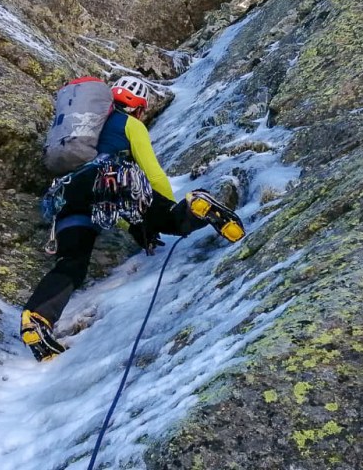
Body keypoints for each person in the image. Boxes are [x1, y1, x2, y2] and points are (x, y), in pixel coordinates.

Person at [20, 75, 243, 361]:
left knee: (72, 261)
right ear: (138, 108)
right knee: (172, 219)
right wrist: (166, 211)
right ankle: (195, 205)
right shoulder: (130, 124)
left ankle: (37, 318)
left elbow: (111, 212)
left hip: (69, 194)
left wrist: (137, 228)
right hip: (110, 180)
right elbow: (153, 174)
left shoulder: (78, 132)